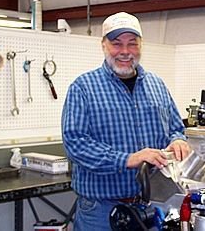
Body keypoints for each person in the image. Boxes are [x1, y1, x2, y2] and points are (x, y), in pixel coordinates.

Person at [61, 12, 190, 231]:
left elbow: (176, 128)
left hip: (152, 207)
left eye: (132, 43)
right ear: (103, 46)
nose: (125, 51)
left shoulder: (156, 85)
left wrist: (178, 141)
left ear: (141, 45)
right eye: (116, 43)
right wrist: (127, 159)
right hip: (101, 212)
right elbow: (75, 143)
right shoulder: (83, 87)